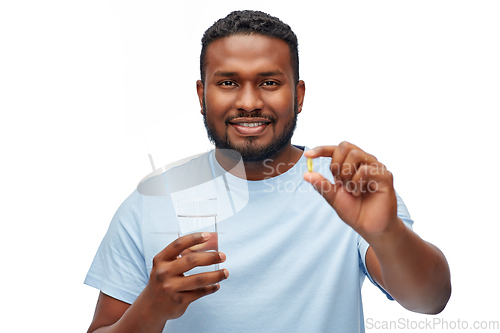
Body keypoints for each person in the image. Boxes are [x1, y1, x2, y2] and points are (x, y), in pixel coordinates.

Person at [85, 10, 451, 333]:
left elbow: (429, 300)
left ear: (299, 95)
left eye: (269, 82)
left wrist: (388, 234)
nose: (248, 102)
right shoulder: (151, 201)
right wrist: (150, 310)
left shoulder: (346, 186)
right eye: (228, 83)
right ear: (202, 96)